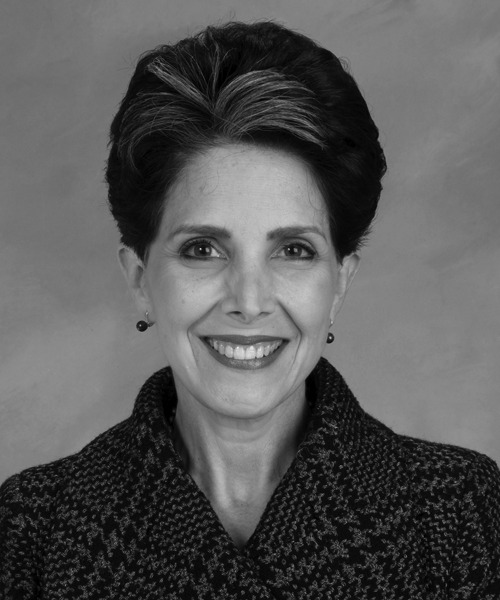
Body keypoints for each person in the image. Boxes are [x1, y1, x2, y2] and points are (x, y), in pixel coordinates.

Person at [1, 20, 499, 599]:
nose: (249, 300)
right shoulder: (31, 530)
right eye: (202, 249)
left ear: (339, 284)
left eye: (294, 250)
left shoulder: (461, 512)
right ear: (140, 280)